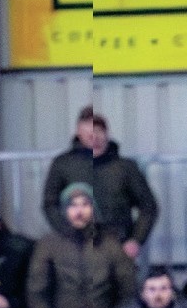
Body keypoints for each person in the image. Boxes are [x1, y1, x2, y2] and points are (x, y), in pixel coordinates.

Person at [29, 181, 141, 308]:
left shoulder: (110, 244)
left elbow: (128, 291)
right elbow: (36, 291)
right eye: (73, 205)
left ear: (93, 209)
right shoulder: (48, 245)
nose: (79, 211)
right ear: (64, 210)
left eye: (85, 204)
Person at [40, 106, 157, 257]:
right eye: (89, 134)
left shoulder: (126, 167)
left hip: (118, 246)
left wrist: (136, 240)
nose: (94, 138)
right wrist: (68, 234)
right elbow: (50, 204)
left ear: (106, 133)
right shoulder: (62, 164)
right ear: (79, 133)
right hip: (76, 248)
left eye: (98, 132)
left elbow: (148, 206)